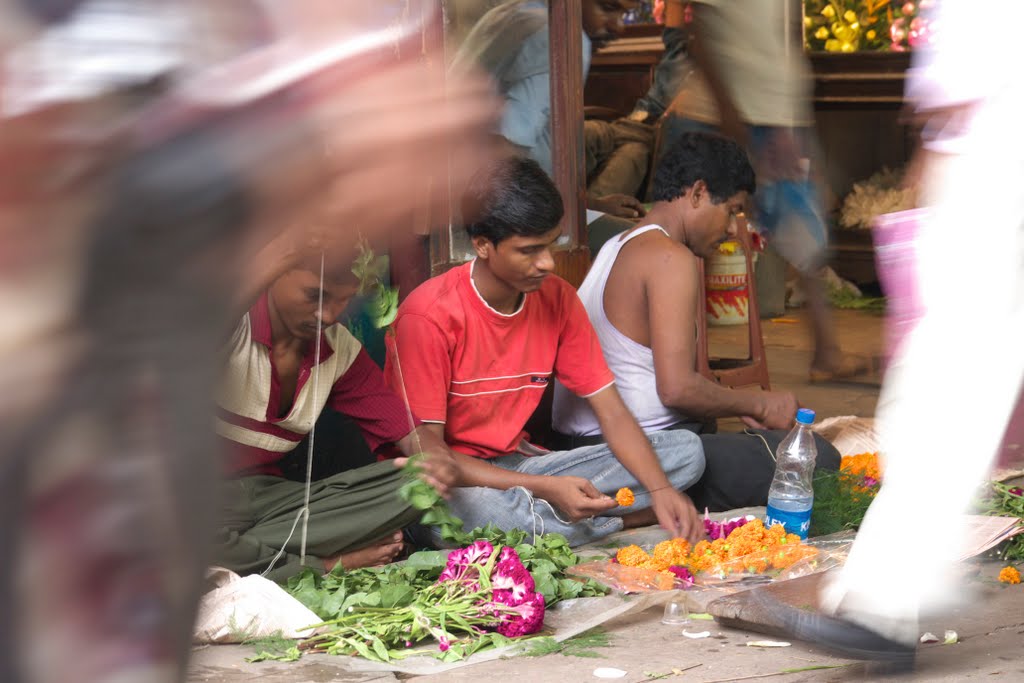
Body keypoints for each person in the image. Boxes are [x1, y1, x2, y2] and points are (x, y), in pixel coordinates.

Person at [765, 0, 1024, 668]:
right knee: (935, 393)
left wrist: (934, 166)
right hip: (983, 163)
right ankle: (887, 597)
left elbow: (959, 91)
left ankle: (885, 600)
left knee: (940, 395)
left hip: (994, 166)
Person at [384, 155, 705, 547]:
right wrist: (544, 487)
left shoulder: (558, 300)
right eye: (529, 250)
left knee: (687, 452)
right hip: (453, 481)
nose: (547, 263)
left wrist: (659, 491)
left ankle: (561, 517)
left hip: (519, 465)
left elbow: (612, 411)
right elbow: (431, 458)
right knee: (467, 515)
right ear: (483, 245)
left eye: (551, 245)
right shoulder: (428, 316)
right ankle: (618, 521)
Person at [552, 132, 839, 511]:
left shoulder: (618, 243)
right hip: (624, 454)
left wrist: (741, 405)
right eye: (731, 210)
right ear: (699, 193)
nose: (730, 229)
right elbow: (676, 390)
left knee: (710, 428)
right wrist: (760, 403)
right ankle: (638, 506)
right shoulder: (671, 258)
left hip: (587, 446)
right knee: (819, 458)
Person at [215, 247, 461, 581]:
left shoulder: (338, 350)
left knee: (413, 484)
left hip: (274, 501)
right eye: (315, 295)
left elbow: (407, 431)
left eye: (343, 300)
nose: (329, 315)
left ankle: (241, 557)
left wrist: (435, 460)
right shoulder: (230, 326)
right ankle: (328, 564)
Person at [660, 0, 869, 382]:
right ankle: (680, 361)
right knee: (687, 239)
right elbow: (700, 35)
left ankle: (827, 353)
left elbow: (784, 41)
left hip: (773, 114)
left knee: (805, 235)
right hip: (719, 113)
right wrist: (732, 117)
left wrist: (791, 119)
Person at [452, 0, 651, 219]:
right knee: (641, 238)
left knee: (632, 142)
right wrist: (576, 214)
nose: (618, 26)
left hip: (472, 187)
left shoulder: (508, 13)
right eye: (608, 8)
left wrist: (589, 204)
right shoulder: (562, 36)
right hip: (512, 212)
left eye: (624, 14)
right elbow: (505, 156)